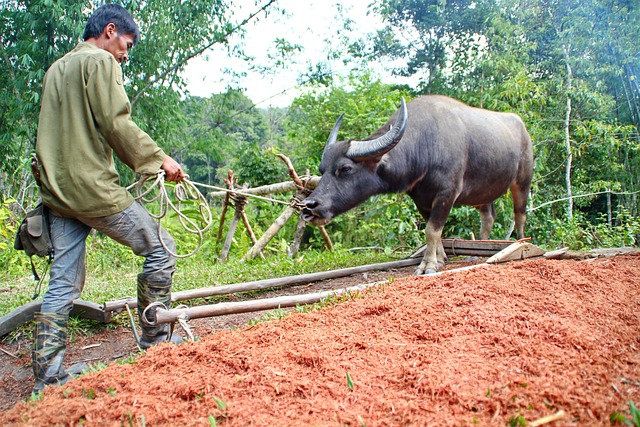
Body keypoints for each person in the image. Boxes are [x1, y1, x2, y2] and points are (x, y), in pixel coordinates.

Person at [32, 4, 183, 393]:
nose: (125, 54)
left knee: (62, 283)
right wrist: (158, 159)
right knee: (162, 248)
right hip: (92, 190)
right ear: (110, 30)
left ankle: (47, 379)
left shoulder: (55, 70)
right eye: (126, 45)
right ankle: (157, 344)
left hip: (58, 192)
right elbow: (116, 123)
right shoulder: (100, 62)